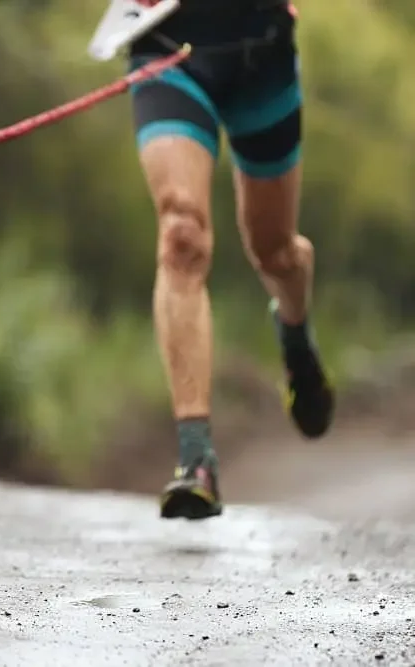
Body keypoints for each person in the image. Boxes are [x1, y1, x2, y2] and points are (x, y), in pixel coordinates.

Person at [124, 0, 333, 520]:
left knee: (276, 251)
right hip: (166, 46)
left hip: (259, 53)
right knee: (181, 234)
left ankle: (295, 334)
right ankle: (196, 460)